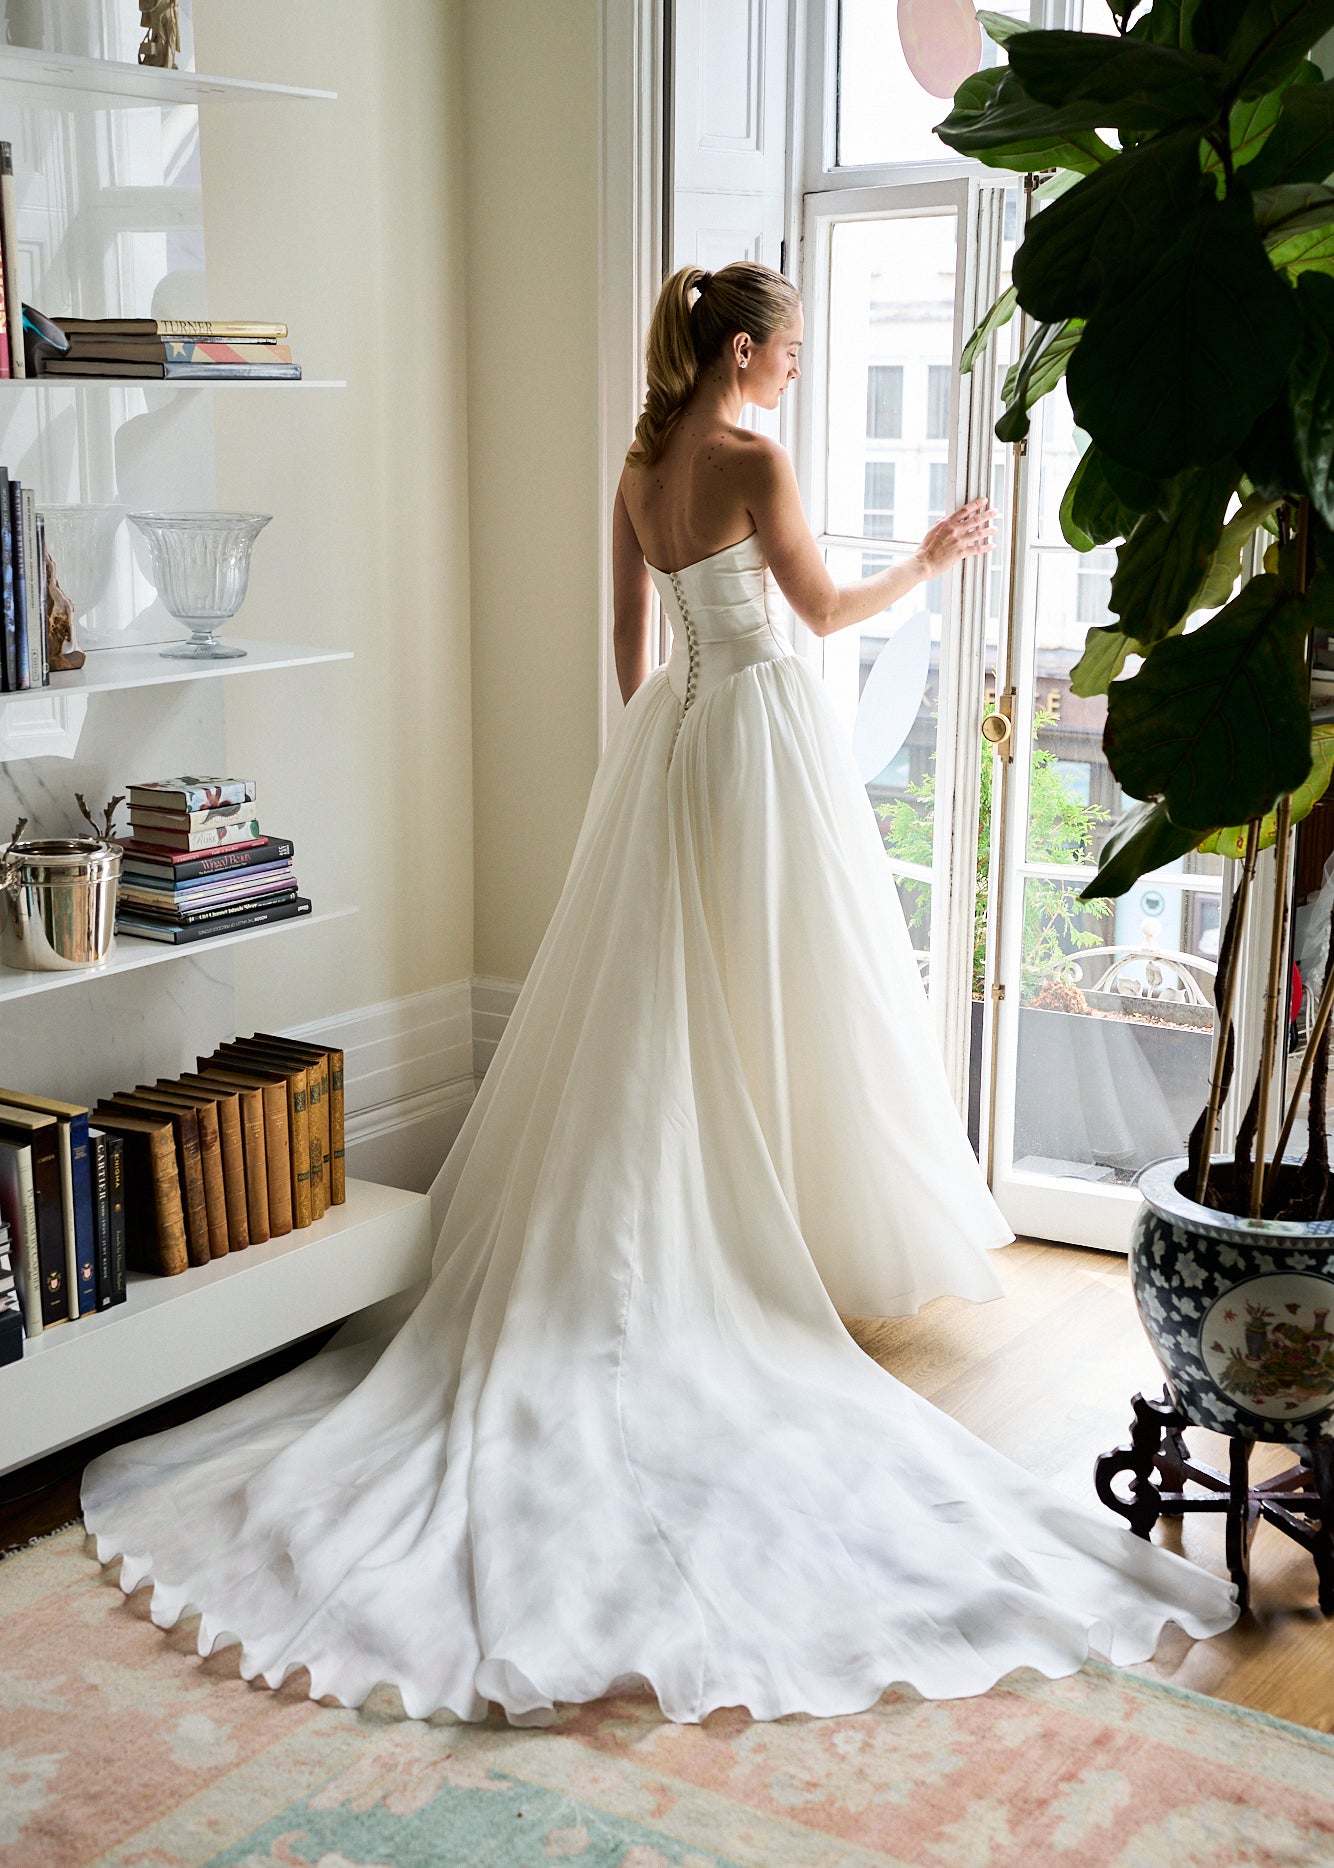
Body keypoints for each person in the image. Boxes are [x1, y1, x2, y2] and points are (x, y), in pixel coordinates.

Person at [82, 261, 1238, 1727]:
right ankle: (769, 1242)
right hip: (757, 734)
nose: (802, 369)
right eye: (797, 348)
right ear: (744, 350)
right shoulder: (750, 452)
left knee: (673, 1002)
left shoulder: (639, 464)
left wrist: (650, 753)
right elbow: (815, 614)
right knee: (778, 985)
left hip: (675, 740)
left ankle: (738, 1218)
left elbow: (629, 657)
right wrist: (933, 562)